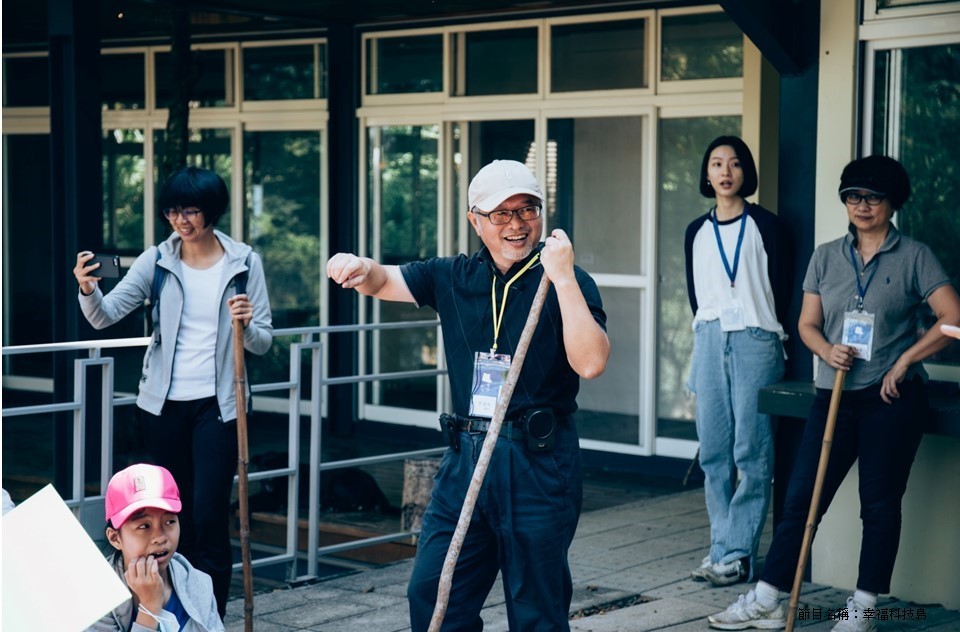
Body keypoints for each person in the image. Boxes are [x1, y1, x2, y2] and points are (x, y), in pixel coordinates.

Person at [326, 159, 610, 631]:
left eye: (528, 209)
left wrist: (562, 278)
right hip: (467, 456)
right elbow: (383, 279)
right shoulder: (452, 276)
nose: (517, 224)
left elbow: (592, 362)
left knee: (537, 609)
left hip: (538, 462)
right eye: (501, 213)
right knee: (434, 594)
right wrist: (359, 266)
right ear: (475, 221)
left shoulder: (568, 281)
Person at [708, 155, 960, 631]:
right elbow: (807, 324)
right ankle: (769, 599)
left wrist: (907, 360)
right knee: (802, 500)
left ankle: (861, 610)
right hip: (834, 394)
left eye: (873, 197)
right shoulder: (825, 256)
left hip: (890, 398)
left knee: (879, 505)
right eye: (853, 196)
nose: (862, 205)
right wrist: (826, 349)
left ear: (893, 202)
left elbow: (954, 319)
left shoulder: (915, 256)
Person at [74, 166, 273, 617]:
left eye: (192, 211)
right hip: (162, 409)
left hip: (221, 408)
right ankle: (169, 614)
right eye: (173, 212)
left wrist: (245, 325)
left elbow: (263, 340)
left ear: (212, 212)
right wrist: (88, 289)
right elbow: (103, 316)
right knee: (164, 518)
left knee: (208, 516)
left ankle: (209, 618)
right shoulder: (157, 261)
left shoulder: (244, 263)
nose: (182, 221)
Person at [684, 136, 788, 586]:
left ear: (746, 172)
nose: (725, 172)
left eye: (734, 164)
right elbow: (696, 294)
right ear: (706, 174)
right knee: (712, 451)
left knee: (751, 450)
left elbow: (780, 289)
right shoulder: (696, 230)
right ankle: (722, 549)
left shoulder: (767, 225)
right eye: (716, 164)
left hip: (755, 338)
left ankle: (738, 554)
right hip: (709, 337)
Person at [87, 463, 224, 631]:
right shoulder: (97, 597)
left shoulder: (198, 584)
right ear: (115, 538)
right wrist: (149, 608)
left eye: (169, 522)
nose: (160, 537)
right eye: (144, 526)